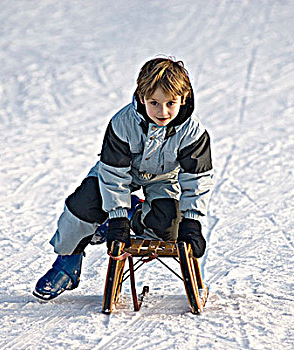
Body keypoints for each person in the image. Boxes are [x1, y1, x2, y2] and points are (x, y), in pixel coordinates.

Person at [33, 57, 214, 301]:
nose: (163, 112)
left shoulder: (193, 132)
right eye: (154, 103)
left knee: (168, 227)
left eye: (171, 103)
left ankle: (132, 215)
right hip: (119, 174)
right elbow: (114, 173)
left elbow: (197, 179)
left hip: (162, 179)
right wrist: (117, 216)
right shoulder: (123, 123)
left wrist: (192, 220)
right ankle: (68, 262)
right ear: (141, 97)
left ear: (184, 98)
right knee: (80, 208)